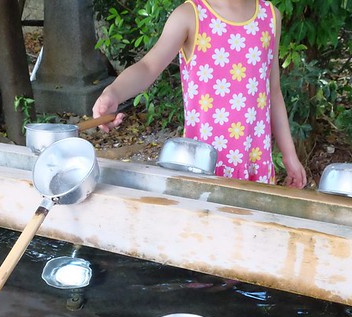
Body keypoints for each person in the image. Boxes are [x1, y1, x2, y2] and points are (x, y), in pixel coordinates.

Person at [92, 0, 307, 188]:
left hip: (254, 165)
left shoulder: (270, 16)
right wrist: (114, 92)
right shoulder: (190, 15)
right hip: (203, 166)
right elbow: (148, 67)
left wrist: (289, 156)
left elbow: (273, 91)